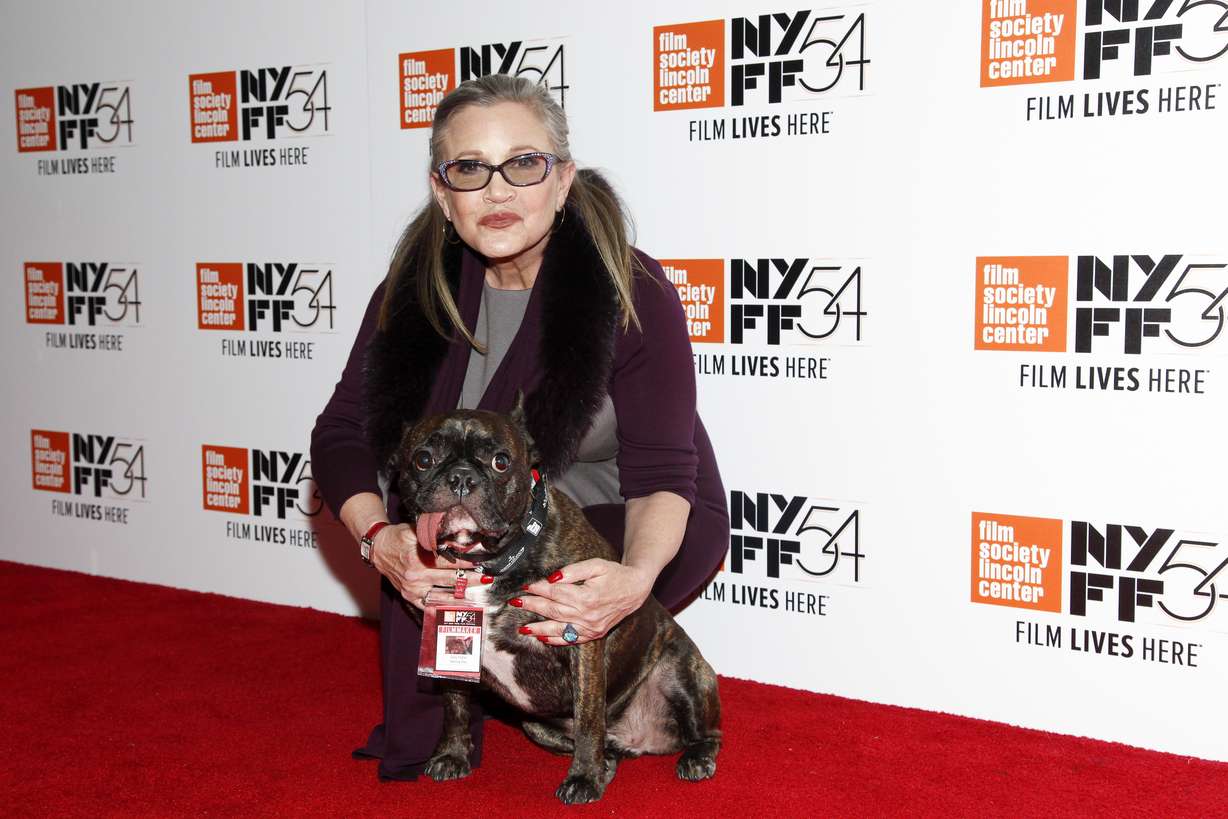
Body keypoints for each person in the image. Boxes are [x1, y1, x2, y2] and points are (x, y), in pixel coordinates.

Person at [310, 73, 729, 781]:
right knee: (448, 566)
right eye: (470, 169)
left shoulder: (632, 288)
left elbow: (662, 473)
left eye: (524, 164)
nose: (498, 192)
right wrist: (380, 538)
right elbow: (341, 433)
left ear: (563, 180)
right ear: (443, 192)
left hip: (629, 514)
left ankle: (561, 683)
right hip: (473, 517)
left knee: (549, 581)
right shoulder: (409, 294)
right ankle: (491, 688)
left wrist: (634, 576)